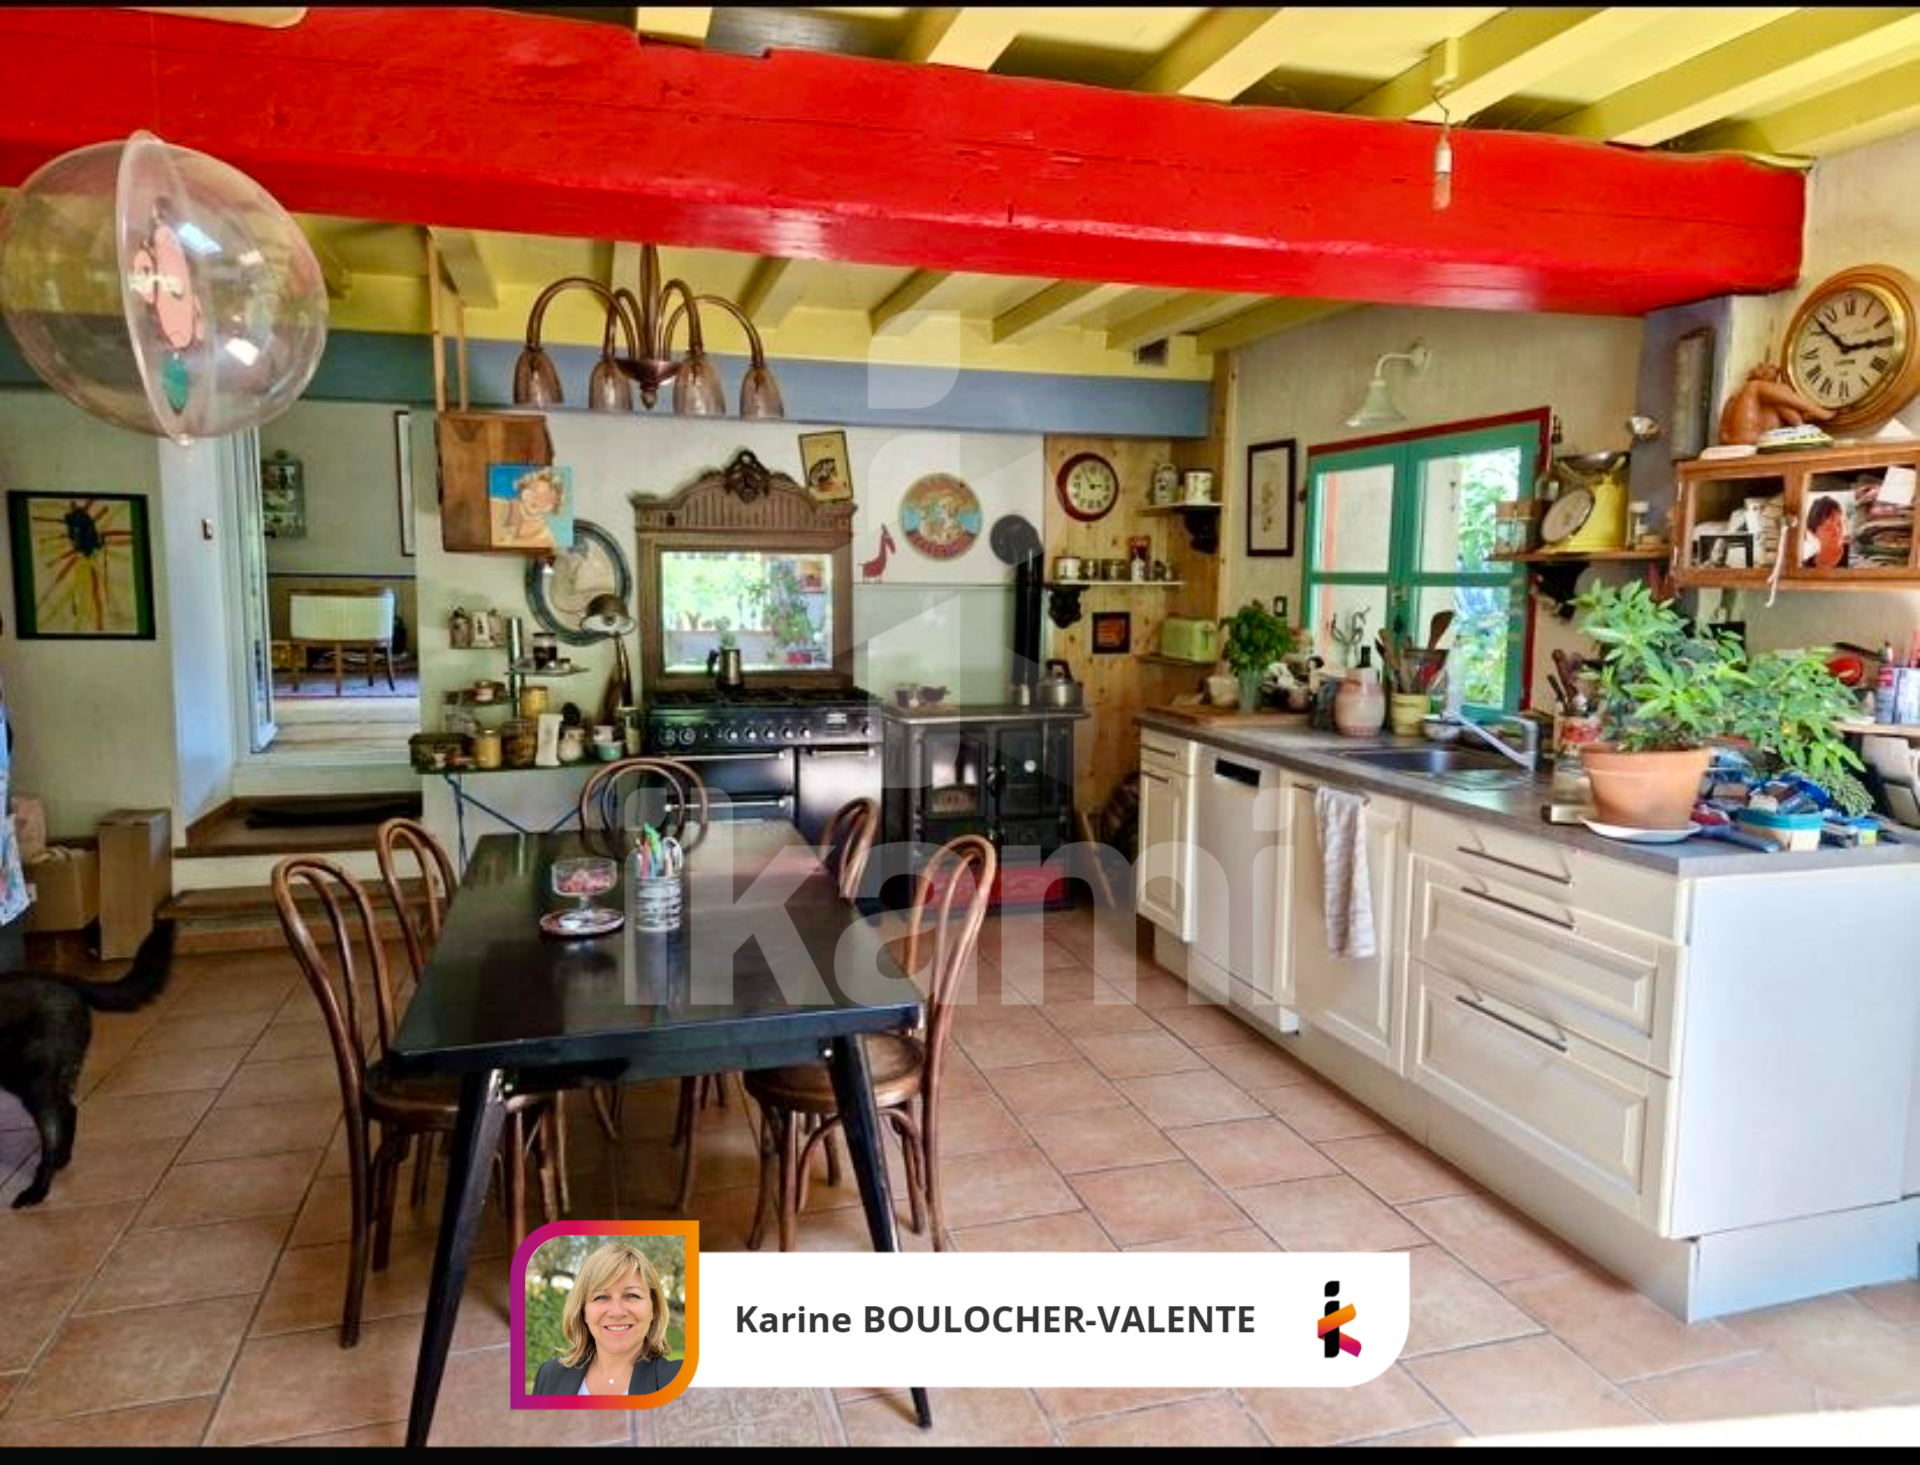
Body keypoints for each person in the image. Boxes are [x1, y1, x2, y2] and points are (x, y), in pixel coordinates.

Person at [531, 1241, 682, 1396]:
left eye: (631, 1295)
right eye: (601, 1297)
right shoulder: (549, 1377)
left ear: (653, 1309)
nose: (617, 1312)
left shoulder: (681, 1380)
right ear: (583, 1312)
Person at [1803, 494, 1850, 569]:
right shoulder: (1806, 567)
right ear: (1814, 532)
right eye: (1828, 528)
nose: (1837, 531)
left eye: (1839, 524)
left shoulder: (1853, 554)